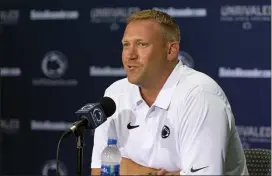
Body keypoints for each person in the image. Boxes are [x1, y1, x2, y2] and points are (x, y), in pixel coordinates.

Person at [91, 9, 249, 175]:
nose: (130, 55)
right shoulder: (115, 94)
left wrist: (127, 168)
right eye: (126, 45)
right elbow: (99, 170)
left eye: (142, 44)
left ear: (171, 51)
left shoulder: (200, 95)